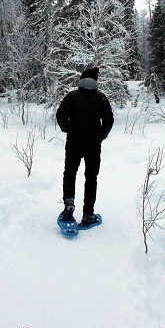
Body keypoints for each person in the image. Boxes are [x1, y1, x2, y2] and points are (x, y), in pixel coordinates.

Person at [55, 66, 114, 226]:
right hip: (93, 146)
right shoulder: (101, 98)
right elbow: (109, 121)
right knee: (91, 178)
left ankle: (69, 204)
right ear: (95, 81)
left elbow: (60, 116)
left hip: (73, 143)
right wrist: (100, 136)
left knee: (70, 173)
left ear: (81, 79)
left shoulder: (72, 96)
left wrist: (67, 129)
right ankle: (88, 214)